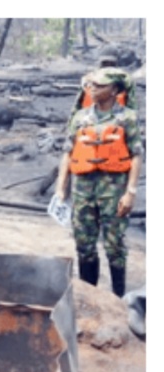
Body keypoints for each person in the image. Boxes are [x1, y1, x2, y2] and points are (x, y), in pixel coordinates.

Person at [55, 67, 142, 298]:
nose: (93, 89)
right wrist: (61, 186)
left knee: (115, 246)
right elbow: (68, 151)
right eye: (91, 85)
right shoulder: (80, 117)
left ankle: (119, 298)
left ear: (114, 90)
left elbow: (136, 155)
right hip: (83, 189)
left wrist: (130, 192)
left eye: (100, 85)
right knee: (84, 244)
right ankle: (90, 297)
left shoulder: (127, 118)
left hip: (113, 190)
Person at [74, 46, 139, 112]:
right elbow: (78, 106)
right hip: (89, 118)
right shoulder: (88, 79)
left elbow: (132, 106)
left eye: (111, 64)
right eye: (105, 63)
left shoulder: (124, 79)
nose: (108, 67)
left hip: (116, 118)